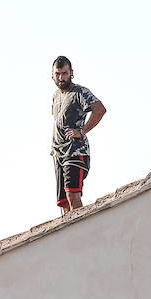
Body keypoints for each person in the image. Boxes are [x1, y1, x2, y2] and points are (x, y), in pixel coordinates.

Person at [50, 55, 106, 215]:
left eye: (64, 73)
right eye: (58, 74)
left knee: (72, 195)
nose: (61, 78)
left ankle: (83, 234)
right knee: (63, 203)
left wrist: (81, 131)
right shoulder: (56, 96)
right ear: (52, 75)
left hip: (75, 151)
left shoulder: (79, 92)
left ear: (71, 73)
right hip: (58, 153)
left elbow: (100, 109)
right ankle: (70, 237)